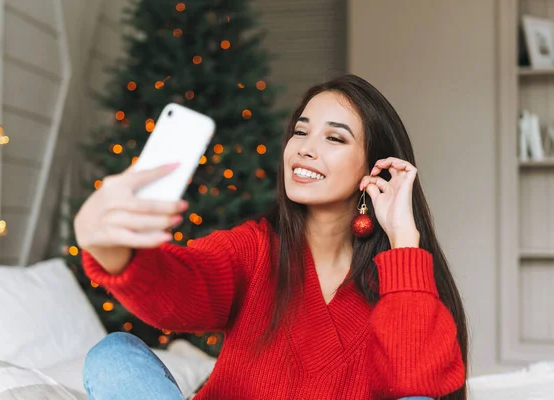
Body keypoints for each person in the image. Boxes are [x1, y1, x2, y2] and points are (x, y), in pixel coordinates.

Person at [75, 74, 468, 400]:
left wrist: (403, 239)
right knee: (114, 356)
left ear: (375, 169)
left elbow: (418, 384)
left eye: (334, 138)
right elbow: (178, 290)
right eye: (300, 132)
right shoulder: (256, 248)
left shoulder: (400, 283)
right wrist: (109, 246)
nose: (304, 150)